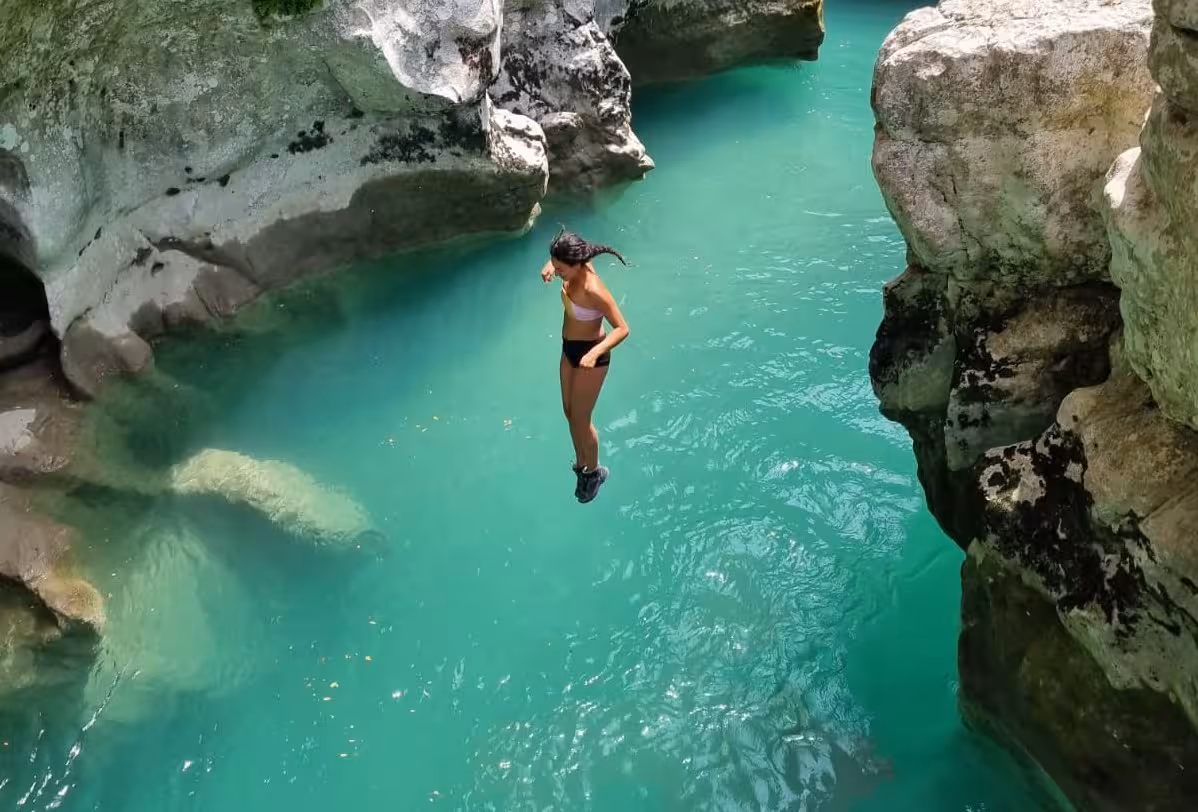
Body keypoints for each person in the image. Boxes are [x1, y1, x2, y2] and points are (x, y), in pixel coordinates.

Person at [539, 228, 631, 503]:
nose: (556, 272)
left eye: (560, 269)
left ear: (577, 265)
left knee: (582, 419)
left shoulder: (594, 290)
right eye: (554, 266)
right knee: (569, 412)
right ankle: (582, 463)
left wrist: (595, 353)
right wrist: (550, 265)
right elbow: (569, 240)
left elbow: (622, 329)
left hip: (592, 356)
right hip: (569, 349)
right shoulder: (573, 262)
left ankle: (594, 472)